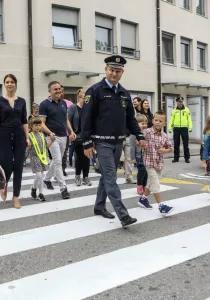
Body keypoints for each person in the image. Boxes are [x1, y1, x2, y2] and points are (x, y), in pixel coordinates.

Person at [81, 55, 145, 228]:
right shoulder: (95, 91)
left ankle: (99, 206)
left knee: (106, 176)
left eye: (118, 71)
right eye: (111, 70)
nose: (114, 74)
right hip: (101, 143)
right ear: (106, 70)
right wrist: (86, 142)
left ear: (122, 72)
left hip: (118, 142)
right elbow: (85, 118)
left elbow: (131, 119)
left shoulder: (124, 93)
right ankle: (123, 215)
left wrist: (139, 135)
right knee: (111, 177)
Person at [0, 74, 30, 209]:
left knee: (18, 166)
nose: (9, 84)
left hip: (19, 135)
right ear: (4, 84)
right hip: (3, 136)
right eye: (7, 82)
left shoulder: (22, 101)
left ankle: (16, 197)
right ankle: (4, 186)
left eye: (12, 82)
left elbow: (24, 120)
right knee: (6, 165)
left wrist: (27, 137)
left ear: (15, 84)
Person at [39, 81, 76, 199]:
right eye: (55, 89)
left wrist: (71, 131)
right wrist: (50, 133)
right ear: (49, 91)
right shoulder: (44, 104)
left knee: (56, 161)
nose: (58, 91)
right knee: (58, 161)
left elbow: (66, 119)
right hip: (51, 137)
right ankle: (63, 188)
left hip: (63, 136)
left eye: (59, 89)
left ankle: (46, 179)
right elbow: (41, 123)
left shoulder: (63, 103)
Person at [138, 110, 174, 215]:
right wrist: (141, 144)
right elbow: (138, 142)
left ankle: (143, 199)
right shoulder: (147, 132)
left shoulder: (164, 136)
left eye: (160, 121)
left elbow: (171, 147)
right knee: (156, 183)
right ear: (152, 121)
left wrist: (165, 150)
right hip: (148, 162)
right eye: (156, 120)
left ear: (164, 124)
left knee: (151, 182)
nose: (157, 122)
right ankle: (161, 206)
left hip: (159, 163)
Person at [68, 88, 92, 186]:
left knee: (87, 157)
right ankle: (77, 176)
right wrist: (71, 132)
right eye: (83, 98)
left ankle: (85, 177)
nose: (85, 100)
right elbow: (68, 120)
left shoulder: (88, 108)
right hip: (77, 136)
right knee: (80, 157)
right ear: (79, 98)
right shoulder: (73, 108)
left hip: (87, 136)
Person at [29, 117, 55, 202]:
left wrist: (52, 141)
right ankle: (34, 188)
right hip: (34, 157)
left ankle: (40, 193)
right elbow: (27, 148)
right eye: (36, 125)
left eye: (39, 125)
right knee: (39, 175)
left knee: (41, 176)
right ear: (31, 126)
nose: (38, 127)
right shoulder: (30, 136)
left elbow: (46, 147)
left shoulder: (42, 135)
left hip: (42, 158)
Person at [169, 97, 192, 163]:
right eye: (179, 102)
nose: (180, 103)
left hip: (184, 128)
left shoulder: (186, 110)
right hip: (176, 128)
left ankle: (187, 158)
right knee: (176, 144)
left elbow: (189, 119)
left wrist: (190, 127)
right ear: (177, 102)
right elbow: (171, 120)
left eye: (181, 101)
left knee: (186, 144)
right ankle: (176, 158)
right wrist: (169, 128)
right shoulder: (174, 110)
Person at [130, 114, 148, 195]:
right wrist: (132, 158)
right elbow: (132, 147)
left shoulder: (146, 134)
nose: (144, 125)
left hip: (145, 156)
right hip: (138, 157)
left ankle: (144, 186)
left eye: (145, 123)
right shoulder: (133, 135)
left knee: (146, 172)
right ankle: (139, 185)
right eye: (142, 123)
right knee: (141, 171)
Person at [61, 85, 73, 176]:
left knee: (64, 152)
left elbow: (70, 118)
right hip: (54, 133)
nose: (61, 93)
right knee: (57, 155)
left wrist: (72, 131)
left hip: (66, 133)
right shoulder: (49, 102)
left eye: (62, 91)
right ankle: (56, 170)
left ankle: (62, 169)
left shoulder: (68, 103)